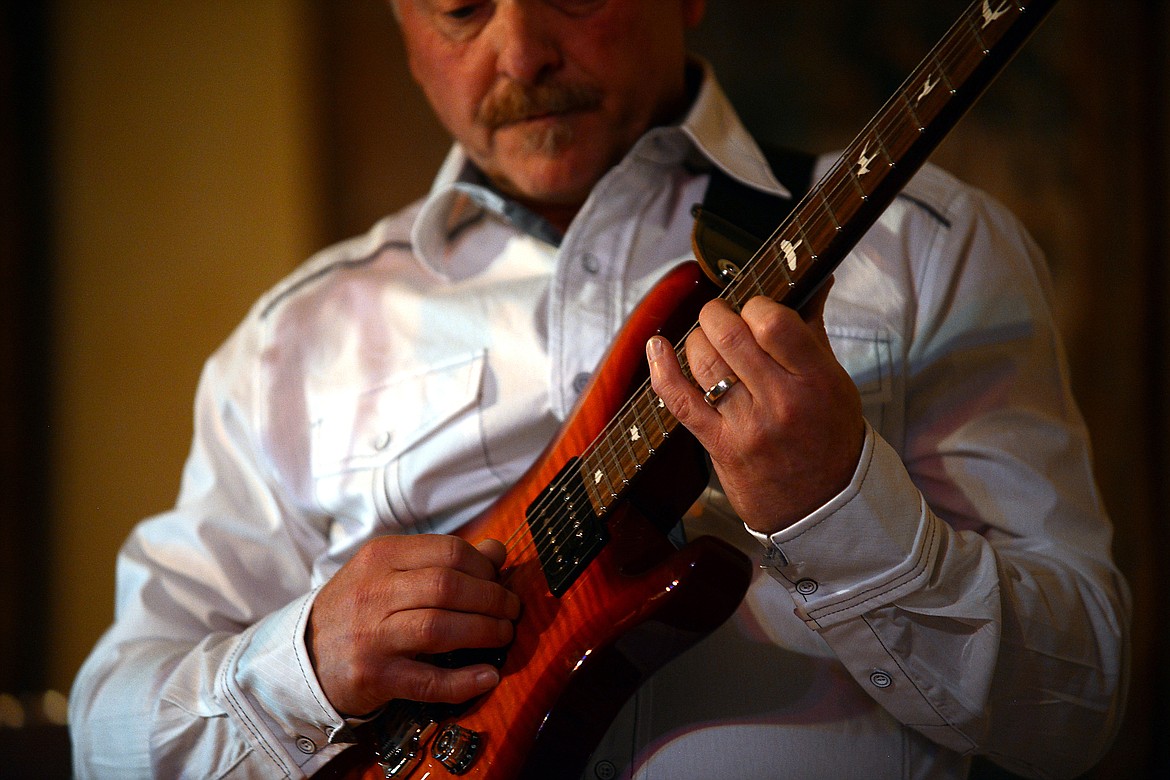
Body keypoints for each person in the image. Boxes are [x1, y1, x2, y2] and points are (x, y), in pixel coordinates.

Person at [70, 1, 1130, 778]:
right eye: (460, 9)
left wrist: (837, 497)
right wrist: (304, 663)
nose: (522, 51)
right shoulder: (293, 340)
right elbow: (107, 728)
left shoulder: (928, 248)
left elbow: (1076, 708)